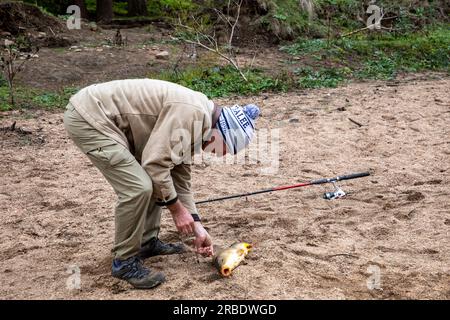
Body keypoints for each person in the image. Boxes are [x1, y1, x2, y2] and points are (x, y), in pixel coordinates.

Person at [63, 79, 260, 289]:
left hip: (104, 117)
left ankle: (146, 243)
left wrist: (197, 227)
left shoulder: (199, 124)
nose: (221, 155)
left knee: (155, 183)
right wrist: (176, 210)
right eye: (226, 149)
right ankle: (124, 262)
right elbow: (155, 165)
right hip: (91, 116)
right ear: (220, 134)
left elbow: (179, 180)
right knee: (139, 188)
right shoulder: (192, 114)